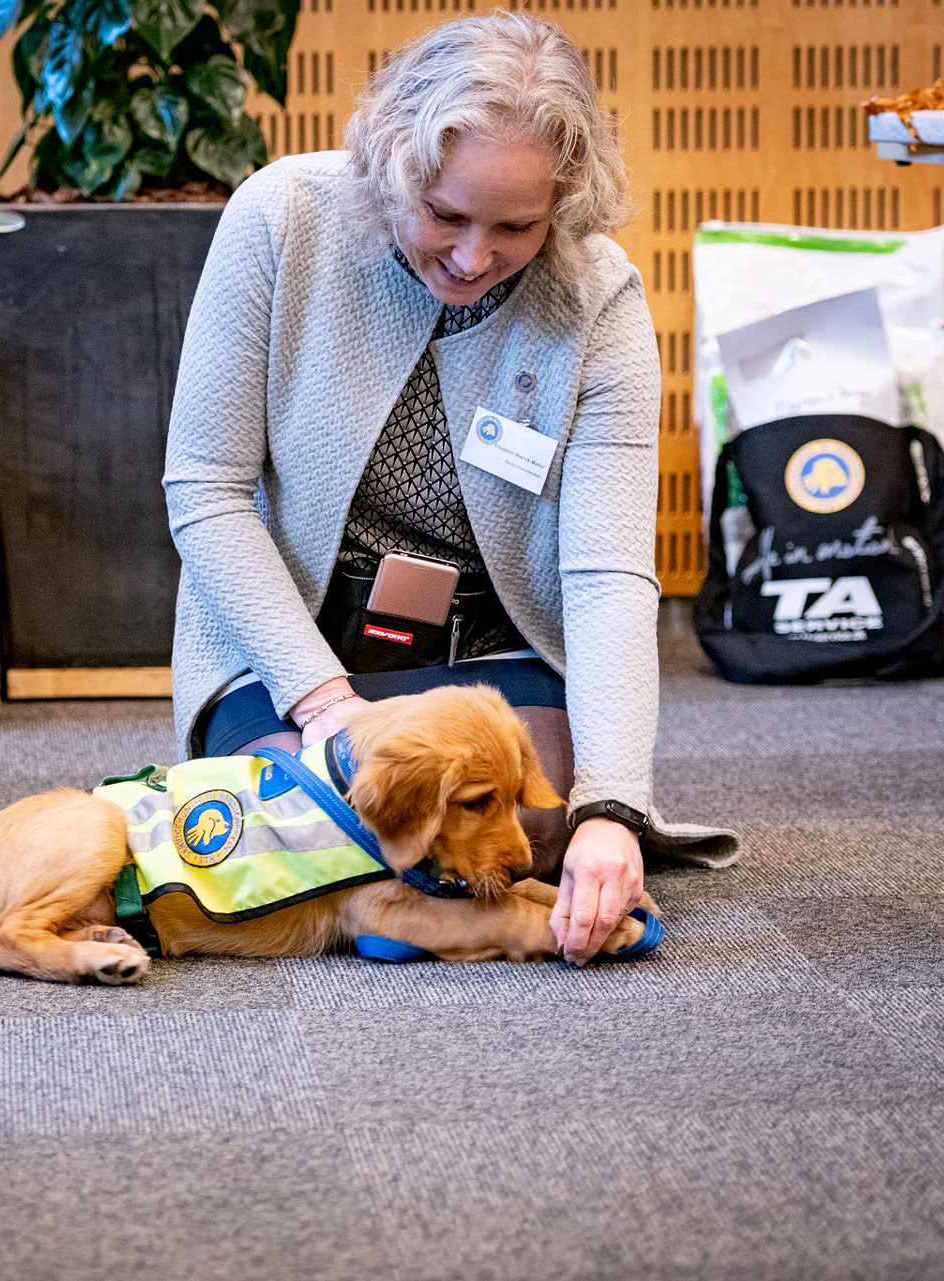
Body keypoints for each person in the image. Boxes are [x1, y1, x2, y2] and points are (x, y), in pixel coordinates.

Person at [163, 13, 735, 966]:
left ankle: (395, 901)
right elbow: (206, 490)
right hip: (295, 645)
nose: (474, 257)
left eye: (516, 225)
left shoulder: (601, 298)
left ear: (564, 200)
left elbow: (605, 577)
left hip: (487, 653)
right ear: (393, 166)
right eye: (445, 214)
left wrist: (613, 809)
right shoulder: (278, 218)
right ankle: (403, 899)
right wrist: (327, 708)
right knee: (286, 825)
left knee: (526, 834)